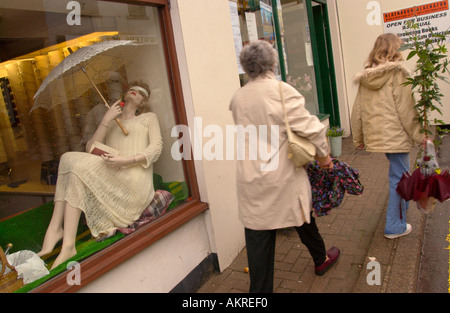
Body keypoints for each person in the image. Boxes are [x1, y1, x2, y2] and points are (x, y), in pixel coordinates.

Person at [229, 40, 340, 293]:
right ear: (271, 63)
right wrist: (324, 157)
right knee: (301, 214)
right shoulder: (281, 91)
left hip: (250, 178)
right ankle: (320, 260)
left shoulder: (238, 98)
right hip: (282, 175)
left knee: (259, 238)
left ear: (246, 67)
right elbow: (312, 128)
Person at [38, 81, 163, 269]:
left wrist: (126, 160)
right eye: (132, 89)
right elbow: (91, 148)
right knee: (67, 158)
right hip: (113, 177)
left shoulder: (148, 118)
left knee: (74, 164)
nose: (134, 92)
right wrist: (106, 119)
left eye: (139, 92)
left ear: (143, 101)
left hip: (134, 182)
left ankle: (62, 236)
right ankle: (58, 231)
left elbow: (156, 147)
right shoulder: (113, 122)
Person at [351, 33, 425, 239]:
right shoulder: (398, 73)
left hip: (381, 138)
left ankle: (401, 214)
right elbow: (407, 109)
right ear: (394, 49)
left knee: (398, 177)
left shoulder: (367, 76)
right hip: (397, 137)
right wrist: (420, 136)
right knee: (399, 180)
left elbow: (357, 110)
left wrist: (358, 138)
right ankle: (394, 225)